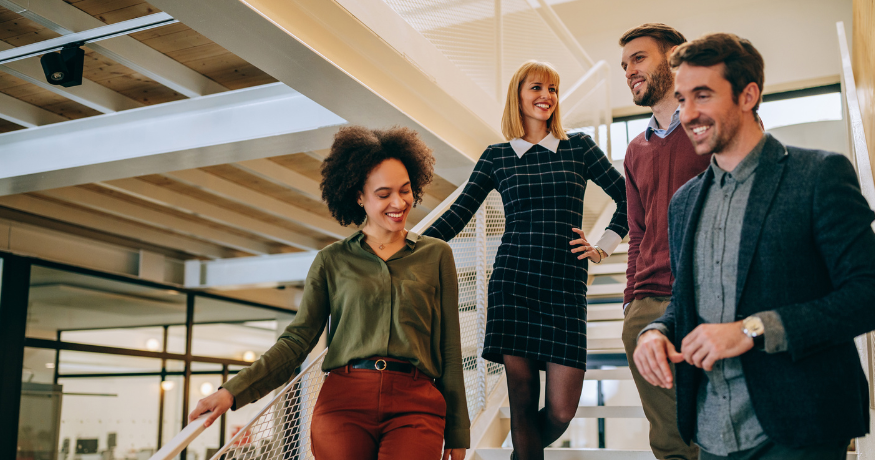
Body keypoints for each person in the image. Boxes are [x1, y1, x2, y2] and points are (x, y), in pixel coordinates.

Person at [633, 33, 875, 460]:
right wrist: (658, 331)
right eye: (683, 98)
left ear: (749, 95)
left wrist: (752, 330)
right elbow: (686, 300)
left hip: (800, 428)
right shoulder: (683, 202)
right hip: (710, 434)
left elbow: (866, 294)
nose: (688, 114)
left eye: (703, 96)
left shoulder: (819, 175)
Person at [188, 126, 470, 460]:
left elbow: (450, 348)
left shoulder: (436, 255)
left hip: (417, 404)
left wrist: (458, 430)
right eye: (383, 194)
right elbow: (297, 340)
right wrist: (232, 391)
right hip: (344, 406)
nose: (399, 202)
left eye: (405, 190)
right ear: (359, 196)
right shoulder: (331, 260)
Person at [424, 60, 628, 460]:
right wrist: (405, 247)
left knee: (561, 411)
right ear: (518, 95)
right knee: (521, 403)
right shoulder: (497, 156)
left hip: (566, 288)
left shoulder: (579, 147)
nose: (546, 97)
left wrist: (604, 245)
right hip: (513, 283)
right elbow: (457, 213)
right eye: (537, 88)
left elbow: (630, 198)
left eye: (553, 89)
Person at [618, 23, 709, 460]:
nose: (629, 71)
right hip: (647, 306)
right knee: (671, 443)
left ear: (674, 57)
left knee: (719, 430)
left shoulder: (711, 124)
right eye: (625, 65)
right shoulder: (635, 150)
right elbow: (638, 231)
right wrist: (630, 302)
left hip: (706, 298)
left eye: (639, 58)